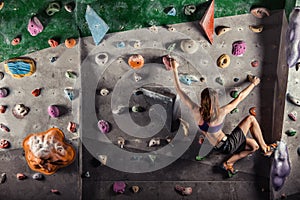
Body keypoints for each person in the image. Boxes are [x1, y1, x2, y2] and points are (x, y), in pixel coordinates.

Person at [167, 57, 277, 177]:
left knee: (253, 146)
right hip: (228, 144)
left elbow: (179, 90)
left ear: (202, 100)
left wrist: (174, 68)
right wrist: (253, 84)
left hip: (217, 147)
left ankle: (228, 163)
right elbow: (240, 97)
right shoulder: (221, 112)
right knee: (250, 119)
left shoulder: (195, 110)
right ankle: (265, 148)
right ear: (216, 101)